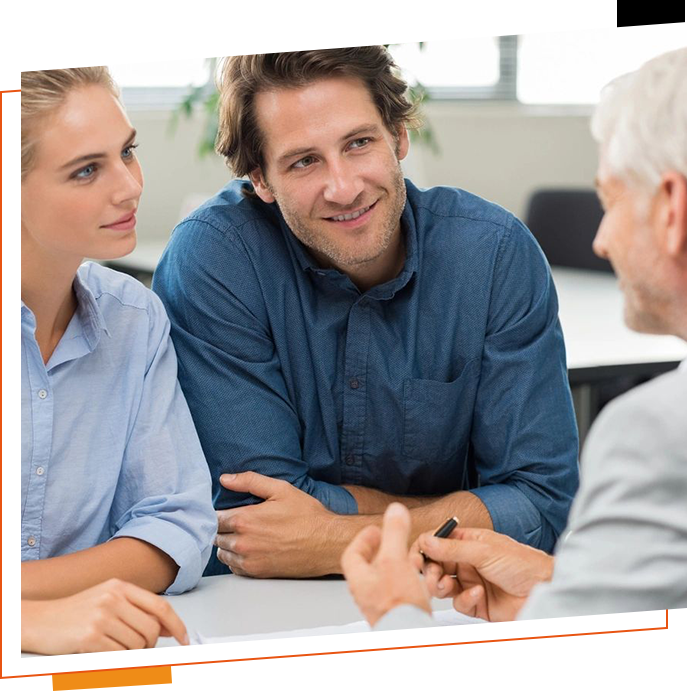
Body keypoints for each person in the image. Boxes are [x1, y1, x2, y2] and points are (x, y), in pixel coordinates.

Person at [153, 48, 579, 579]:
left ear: (398, 135)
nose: (345, 187)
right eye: (304, 161)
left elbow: (542, 505)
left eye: (358, 143)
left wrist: (335, 539)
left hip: (450, 607)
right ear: (261, 180)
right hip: (260, 617)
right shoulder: (217, 258)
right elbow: (257, 523)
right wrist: (466, 510)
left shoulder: (493, 256)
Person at [341, 47, 687, 630]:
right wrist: (559, 596)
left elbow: (587, 676)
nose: (601, 240)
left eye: (611, 201)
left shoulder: (657, 434)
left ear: (672, 211)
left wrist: (399, 619)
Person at [21, 67, 217, 654]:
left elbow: (177, 525)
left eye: (127, 152)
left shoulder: (136, 320)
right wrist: (21, 619)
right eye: (86, 170)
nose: (129, 186)